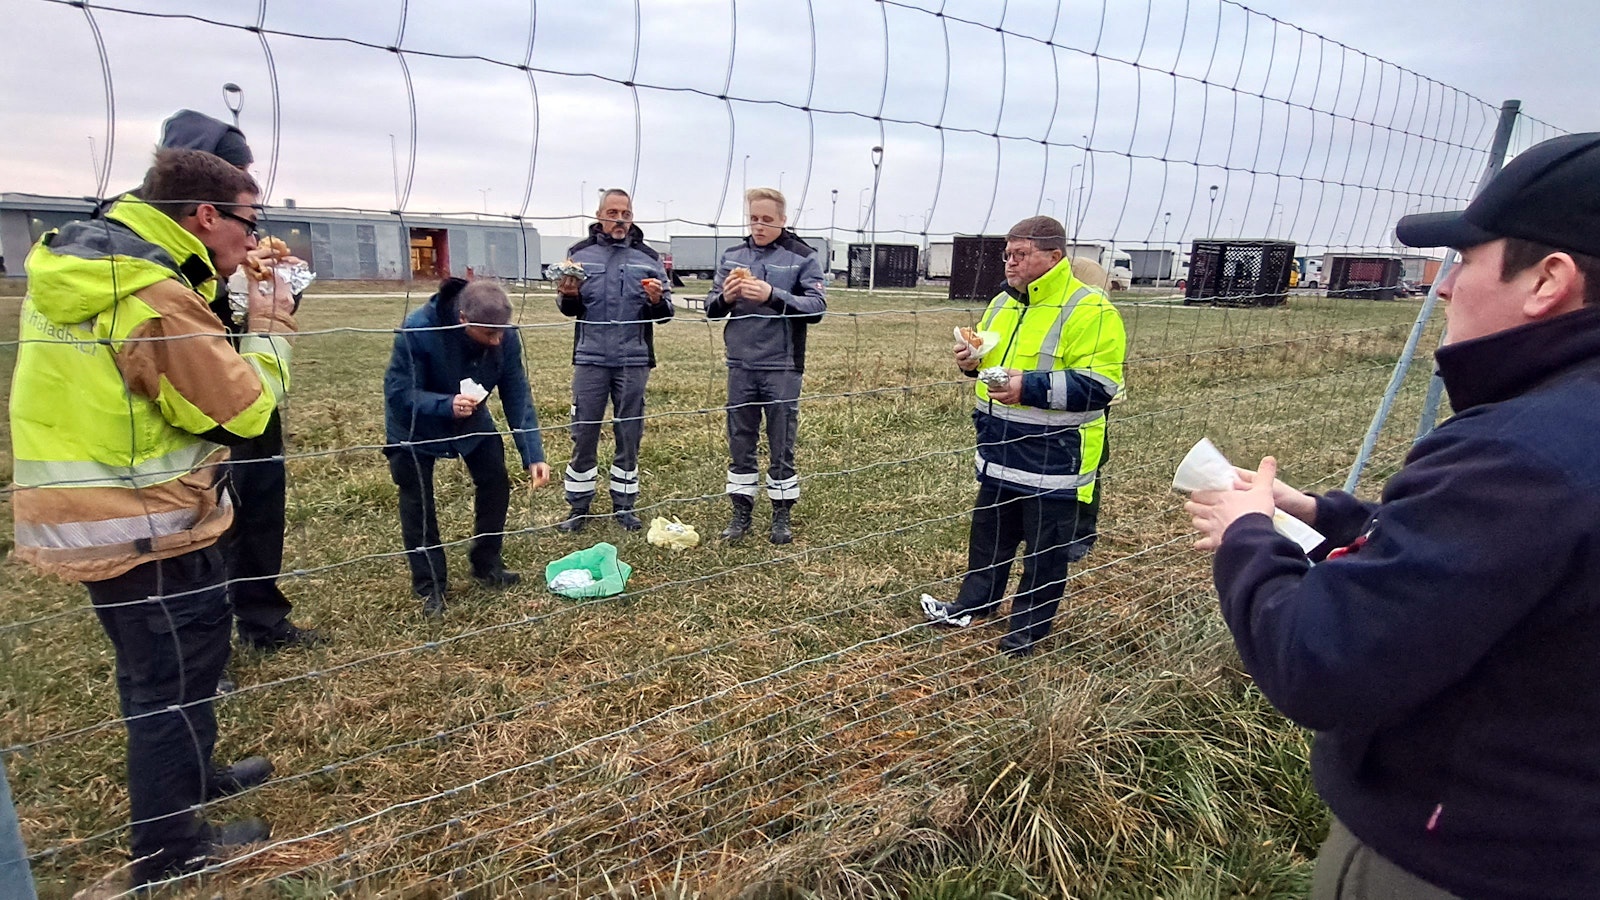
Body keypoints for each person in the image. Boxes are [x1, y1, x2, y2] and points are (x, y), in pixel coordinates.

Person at [1185, 132, 1600, 899]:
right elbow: (1495, 560)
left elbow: (1320, 658)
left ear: (1548, 280)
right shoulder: (1557, 442)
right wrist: (1325, 514)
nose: (1442, 287)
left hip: (1470, 857)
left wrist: (1247, 535)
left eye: (1467, 260)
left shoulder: (1517, 455)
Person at [10, 148, 296, 886]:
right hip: (139, 519)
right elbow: (244, 413)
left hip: (104, 504)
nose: (253, 237)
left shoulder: (97, 264)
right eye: (249, 221)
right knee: (166, 680)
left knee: (178, 667)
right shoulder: (151, 294)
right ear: (206, 215)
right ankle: (169, 850)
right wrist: (268, 326)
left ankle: (194, 779)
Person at [920, 216, 1126, 657]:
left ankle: (1025, 633)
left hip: (1055, 456)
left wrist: (1026, 387)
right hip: (998, 447)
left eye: (1021, 254)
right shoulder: (1002, 303)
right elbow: (988, 365)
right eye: (1007, 254)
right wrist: (969, 362)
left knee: (1045, 551)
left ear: (1054, 257)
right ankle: (974, 605)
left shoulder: (1090, 309)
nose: (1010, 262)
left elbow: (1102, 386)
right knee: (989, 534)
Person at [159, 108, 324, 653]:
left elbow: (263, 315)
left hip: (253, 394)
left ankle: (262, 618)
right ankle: (208, 646)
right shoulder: (164, 259)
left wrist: (276, 292)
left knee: (259, 507)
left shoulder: (238, 244)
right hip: (199, 409)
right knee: (204, 524)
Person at [384, 279, 551, 617]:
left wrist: (532, 452)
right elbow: (399, 392)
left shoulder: (503, 333)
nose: (498, 340)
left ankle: (486, 562)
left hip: (473, 420)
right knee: (418, 501)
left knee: (494, 480)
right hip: (415, 426)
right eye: (489, 334)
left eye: (502, 332)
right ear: (463, 319)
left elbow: (516, 390)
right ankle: (430, 584)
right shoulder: (417, 330)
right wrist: (445, 405)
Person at [705, 187, 827, 544]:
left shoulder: (802, 257)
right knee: (740, 439)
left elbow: (817, 307)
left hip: (782, 365)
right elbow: (712, 307)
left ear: (783, 220)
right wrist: (725, 297)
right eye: (754, 219)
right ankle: (741, 511)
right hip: (740, 363)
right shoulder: (732, 255)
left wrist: (773, 296)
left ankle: (781, 514)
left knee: (781, 439)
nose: (759, 226)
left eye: (767, 220)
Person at [554, 188, 674, 532]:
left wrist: (655, 301)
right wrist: (570, 295)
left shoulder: (649, 258)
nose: (619, 219)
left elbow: (665, 313)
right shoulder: (579, 254)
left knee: (629, 433)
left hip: (633, 359)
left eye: (625, 213)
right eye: (612, 212)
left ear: (632, 216)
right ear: (599, 215)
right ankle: (578, 507)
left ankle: (624, 506)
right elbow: (568, 310)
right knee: (584, 432)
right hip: (590, 358)